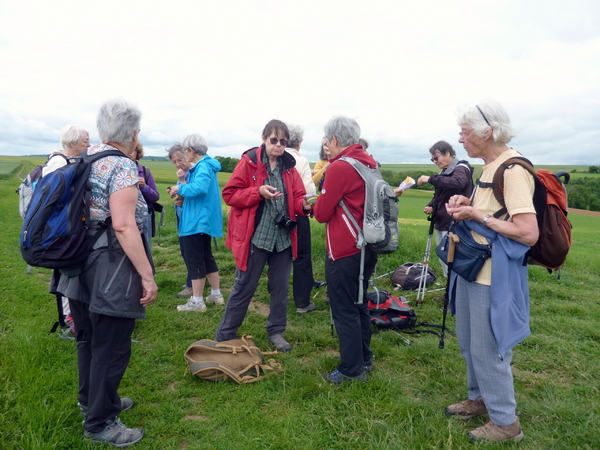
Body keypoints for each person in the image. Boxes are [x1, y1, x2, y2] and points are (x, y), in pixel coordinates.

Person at [444, 100, 538, 443]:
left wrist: (477, 217)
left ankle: (505, 423)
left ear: (488, 132)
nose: (460, 139)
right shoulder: (489, 167)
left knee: (489, 348)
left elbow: (528, 232)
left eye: (465, 132)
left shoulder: (512, 170)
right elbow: (490, 211)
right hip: (473, 270)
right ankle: (479, 399)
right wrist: (466, 206)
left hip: (492, 276)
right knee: (470, 343)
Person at [69, 98, 158, 446]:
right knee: (112, 345)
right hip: (110, 267)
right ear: (134, 133)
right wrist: (147, 274)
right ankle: (100, 422)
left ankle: (91, 400)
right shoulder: (121, 166)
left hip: (75, 262)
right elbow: (123, 226)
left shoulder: (85, 157)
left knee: (88, 338)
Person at [215, 119, 311, 351]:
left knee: (279, 288)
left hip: (283, 240)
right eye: (274, 140)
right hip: (255, 238)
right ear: (264, 139)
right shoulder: (249, 162)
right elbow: (230, 195)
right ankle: (225, 334)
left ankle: (276, 332)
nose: (278, 145)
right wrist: (257, 192)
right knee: (244, 286)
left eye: (283, 141)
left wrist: (305, 206)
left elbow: (298, 197)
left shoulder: (289, 167)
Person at [313, 116, 377, 384]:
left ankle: (351, 370)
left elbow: (321, 213)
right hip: (369, 243)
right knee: (359, 302)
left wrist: (315, 203)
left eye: (327, 140)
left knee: (344, 308)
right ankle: (364, 359)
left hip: (344, 248)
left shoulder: (339, 167)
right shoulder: (368, 162)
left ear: (335, 140)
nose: (326, 145)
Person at [166, 134, 223, 312]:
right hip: (201, 220)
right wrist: (182, 191)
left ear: (191, 150)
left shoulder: (203, 166)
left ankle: (197, 301)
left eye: (185, 151)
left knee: (195, 260)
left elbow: (200, 188)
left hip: (196, 221)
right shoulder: (204, 166)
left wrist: (179, 187)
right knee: (206, 257)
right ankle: (215, 294)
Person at [46, 124, 91, 333]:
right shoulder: (58, 162)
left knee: (70, 270)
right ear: (73, 143)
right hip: (60, 228)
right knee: (66, 271)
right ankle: (69, 318)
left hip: (65, 225)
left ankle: (73, 316)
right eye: (85, 141)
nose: (89, 145)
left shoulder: (66, 160)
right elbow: (54, 197)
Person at [417, 141, 473, 279]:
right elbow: (441, 195)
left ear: (447, 153)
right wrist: (431, 204)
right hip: (443, 219)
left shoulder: (461, 168)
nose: (435, 161)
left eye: (436, 157)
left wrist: (430, 179)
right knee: (444, 256)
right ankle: (449, 290)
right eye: (433, 159)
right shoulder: (446, 172)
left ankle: (453, 292)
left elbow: (457, 183)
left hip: (455, 222)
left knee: (452, 257)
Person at [285, 124, 324, 314]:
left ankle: (275, 293)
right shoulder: (300, 160)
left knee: (278, 257)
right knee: (301, 257)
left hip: (275, 214)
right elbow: (309, 192)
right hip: (297, 213)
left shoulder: (273, 157)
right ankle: (302, 302)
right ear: (299, 142)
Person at [166, 144, 194, 298]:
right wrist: (175, 194)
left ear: (188, 156)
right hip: (182, 217)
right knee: (185, 251)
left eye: (180, 159)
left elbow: (192, 192)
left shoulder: (192, 173)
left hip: (191, 219)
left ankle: (192, 285)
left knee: (190, 253)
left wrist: (181, 180)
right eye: (175, 162)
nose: (178, 164)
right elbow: (182, 194)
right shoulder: (183, 174)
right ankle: (195, 279)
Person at [125, 141, 160, 250]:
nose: (130, 152)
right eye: (127, 148)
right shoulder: (117, 170)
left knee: (145, 248)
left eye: (133, 149)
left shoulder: (145, 172)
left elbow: (155, 197)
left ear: (137, 152)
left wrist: (144, 187)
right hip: (124, 217)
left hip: (144, 218)